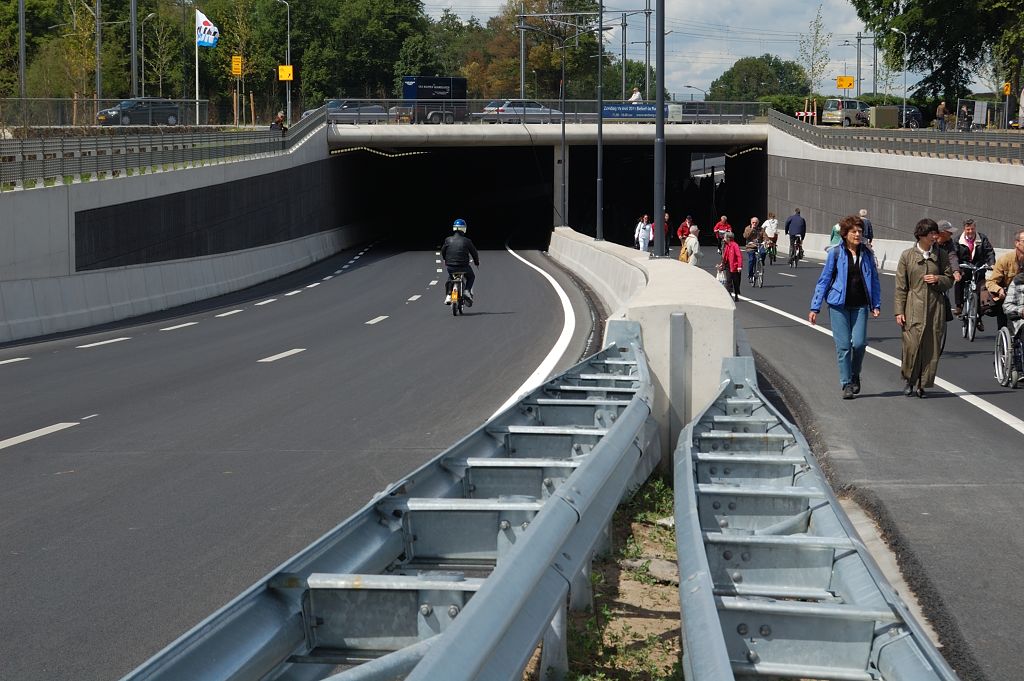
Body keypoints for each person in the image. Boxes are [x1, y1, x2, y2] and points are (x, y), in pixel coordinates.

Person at [808, 215, 882, 399]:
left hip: (860, 305)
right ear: (845, 234)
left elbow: (874, 280)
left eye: (860, 231)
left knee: (859, 344)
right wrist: (815, 307)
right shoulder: (835, 253)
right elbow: (824, 280)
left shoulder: (867, 254)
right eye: (854, 231)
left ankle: (855, 374)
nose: (858, 235)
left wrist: (876, 303)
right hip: (838, 305)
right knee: (843, 347)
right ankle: (846, 383)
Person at [895, 218, 953, 398]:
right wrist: (899, 311)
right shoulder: (907, 256)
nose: (935, 236)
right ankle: (909, 380)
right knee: (911, 346)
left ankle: (922, 384)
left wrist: (938, 279)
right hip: (913, 306)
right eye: (931, 234)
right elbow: (900, 286)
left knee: (931, 347)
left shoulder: (942, 255)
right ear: (921, 235)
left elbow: (949, 279)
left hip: (935, 308)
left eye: (936, 233)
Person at [954, 219, 996, 325]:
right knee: (960, 280)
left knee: (982, 286)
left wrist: (992, 263)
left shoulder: (982, 238)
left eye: (972, 229)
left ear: (975, 228)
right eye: (968, 229)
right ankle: (959, 306)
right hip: (964, 265)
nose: (970, 231)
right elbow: (954, 254)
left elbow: (989, 251)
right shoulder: (958, 239)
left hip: (978, 265)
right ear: (964, 229)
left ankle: (981, 314)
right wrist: (957, 268)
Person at [986, 228, 1024, 331]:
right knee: (1004, 322)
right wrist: (999, 290)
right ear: (1017, 243)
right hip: (1009, 297)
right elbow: (991, 282)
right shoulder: (1005, 260)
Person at [441, 218, 480, 305]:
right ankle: (466, 291)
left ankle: (448, 295)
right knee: (471, 277)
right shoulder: (467, 241)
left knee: (450, 277)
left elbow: (443, 251)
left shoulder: (448, 240)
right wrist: (476, 262)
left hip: (450, 266)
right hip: (464, 266)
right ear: (464, 228)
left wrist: (445, 259)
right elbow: (474, 253)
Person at [935, 221, 961, 325]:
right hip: (930, 270)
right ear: (941, 232)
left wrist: (956, 271)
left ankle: (944, 317)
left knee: (944, 294)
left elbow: (952, 256)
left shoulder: (949, 242)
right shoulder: (930, 241)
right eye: (949, 232)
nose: (951, 234)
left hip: (943, 270)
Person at [720, 231, 743, 302]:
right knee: (728, 280)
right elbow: (725, 256)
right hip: (728, 265)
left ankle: (736, 294)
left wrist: (739, 266)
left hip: (735, 266)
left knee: (736, 281)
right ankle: (729, 294)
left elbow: (739, 256)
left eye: (724, 237)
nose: (723, 239)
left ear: (728, 238)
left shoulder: (735, 245)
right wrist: (722, 264)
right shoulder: (727, 245)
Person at [742, 216, 763, 283]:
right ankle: (750, 275)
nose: (755, 224)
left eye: (756, 223)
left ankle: (761, 263)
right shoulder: (748, 228)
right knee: (751, 260)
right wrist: (752, 229)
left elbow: (765, 236)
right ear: (751, 222)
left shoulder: (760, 229)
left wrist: (768, 241)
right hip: (750, 246)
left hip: (758, 246)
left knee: (764, 252)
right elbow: (745, 236)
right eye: (753, 222)